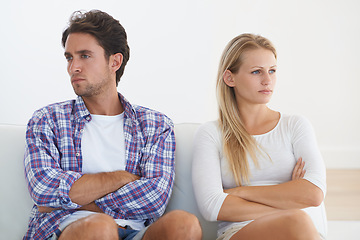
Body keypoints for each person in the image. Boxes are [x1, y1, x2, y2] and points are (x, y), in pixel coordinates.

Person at [23, 10, 202, 240]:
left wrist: (74, 199)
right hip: (68, 231)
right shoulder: (47, 120)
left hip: (136, 233)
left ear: (114, 61)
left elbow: (154, 200)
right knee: (100, 227)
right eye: (69, 57)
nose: (73, 67)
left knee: (185, 225)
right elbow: (44, 193)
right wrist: (120, 178)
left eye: (84, 56)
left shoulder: (155, 125)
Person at [192, 33, 327, 240]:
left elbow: (313, 193)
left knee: (298, 223)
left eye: (272, 71)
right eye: (256, 72)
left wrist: (240, 192)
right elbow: (212, 206)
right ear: (230, 78)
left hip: (298, 231)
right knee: (297, 221)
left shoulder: (295, 125)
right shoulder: (211, 133)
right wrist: (287, 197)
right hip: (238, 231)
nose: (267, 80)